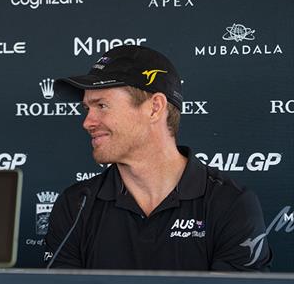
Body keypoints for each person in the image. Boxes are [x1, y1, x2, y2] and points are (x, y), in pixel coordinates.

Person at [45, 45, 271, 271]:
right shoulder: (76, 205)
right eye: (87, 108)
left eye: (102, 105)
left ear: (155, 108)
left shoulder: (230, 204)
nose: (87, 122)